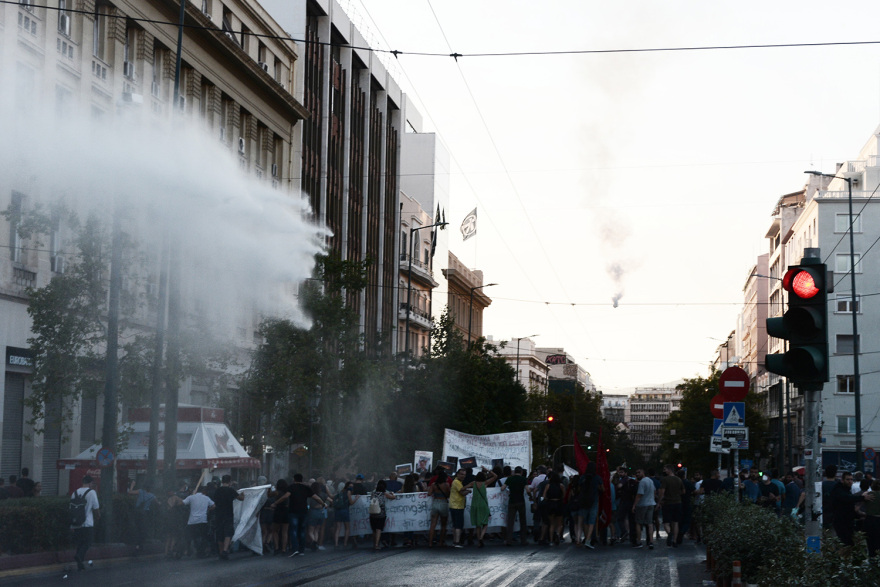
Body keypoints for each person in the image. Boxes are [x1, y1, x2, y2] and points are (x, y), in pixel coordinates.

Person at [831, 471, 875, 546]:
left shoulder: (846, 490)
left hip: (847, 521)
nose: (850, 482)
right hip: (841, 522)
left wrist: (859, 515)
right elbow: (846, 498)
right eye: (848, 479)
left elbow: (849, 505)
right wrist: (862, 498)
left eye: (851, 479)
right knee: (845, 543)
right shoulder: (839, 490)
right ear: (842, 480)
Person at [71, 475, 100, 571]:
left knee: (80, 543)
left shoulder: (74, 493)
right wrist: (98, 517)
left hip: (76, 523)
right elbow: (96, 508)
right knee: (87, 542)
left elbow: (71, 509)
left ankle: (80, 564)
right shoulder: (92, 493)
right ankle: (79, 556)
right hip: (87, 523)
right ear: (90, 483)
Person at [214, 475, 244, 560]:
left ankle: (220, 552)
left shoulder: (217, 490)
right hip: (228, 514)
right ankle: (225, 550)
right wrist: (243, 494)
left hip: (218, 514)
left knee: (220, 533)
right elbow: (241, 498)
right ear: (230, 481)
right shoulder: (231, 490)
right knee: (228, 532)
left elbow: (215, 501)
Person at [183, 485, 215, 558]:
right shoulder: (206, 498)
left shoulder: (191, 497)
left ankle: (192, 550)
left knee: (193, 537)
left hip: (192, 521)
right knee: (203, 536)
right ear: (203, 491)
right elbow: (213, 505)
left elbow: (183, 503)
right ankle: (201, 551)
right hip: (202, 520)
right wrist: (208, 510)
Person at [288, 474, 316, 555]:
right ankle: (301, 550)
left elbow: (286, 496)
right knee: (302, 531)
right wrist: (323, 503)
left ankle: (295, 548)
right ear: (302, 479)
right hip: (303, 511)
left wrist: (276, 502)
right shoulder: (306, 488)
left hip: (293, 511)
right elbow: (315, 497)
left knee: (294, 530)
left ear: (294, 479)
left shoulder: (291, 487)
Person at [469, 469, 497, 547]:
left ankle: (479, 541)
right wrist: (488, 470)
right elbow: (495, 476)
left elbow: (463, 488)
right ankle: (481, 537)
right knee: (485, 523)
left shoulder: (473, 483)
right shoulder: (485, 483)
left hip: (475, 505)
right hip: (483, 505)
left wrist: (467, 491)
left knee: (478, 525)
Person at [658, 464, 684, 547]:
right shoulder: (679, 479)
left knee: (666, 522)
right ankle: (675, 541)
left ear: (669, 470)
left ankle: (669, 534)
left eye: (665, 469)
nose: (664, 471)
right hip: (677, 502)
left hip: (667, 503)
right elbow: (683, 491)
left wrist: (659, 501)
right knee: (675, 523)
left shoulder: (665, 480)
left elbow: (662, 492)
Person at [127, 479, 157, 553]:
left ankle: (136, 544)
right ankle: (139, 545)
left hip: (137, 512)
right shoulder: (152, 496)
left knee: (136, 528)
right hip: (145, 514)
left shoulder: (140, 491)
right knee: (142, 530)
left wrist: (132, 485)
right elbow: (157, 503)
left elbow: (130, 492)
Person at [502, 467, 529, 546]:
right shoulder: (523, 479)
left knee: (510, 521)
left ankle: (509, 540)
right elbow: (527, 490)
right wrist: (530, 495)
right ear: (521, 472)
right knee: (522, 521)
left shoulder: (510, 479)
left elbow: (502, 488)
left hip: (512, 501)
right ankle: (523, 540)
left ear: (514, 472)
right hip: (521, 501)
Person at [578, 462, 603, 549]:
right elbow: (602, 488)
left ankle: (585, 537)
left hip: (583, 501)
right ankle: (588, 539)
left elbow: (579, 487)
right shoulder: (597, 478)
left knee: (585, 521)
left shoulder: (583, 477)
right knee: (592, 521)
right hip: (594, 501)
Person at [632, 468, 656, 550]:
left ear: (643, 473)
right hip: (651, 503)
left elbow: (639, 494)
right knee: (650, 524)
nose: (637, 474)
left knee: (638, 523)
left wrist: (634, 505)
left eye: (639, 472)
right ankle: (651, 542)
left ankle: (639, 541)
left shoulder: (642, 482)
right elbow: (655, 491)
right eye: (636, 473)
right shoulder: (650, 481)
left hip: (642, 504)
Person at [369, 480, 396, 550]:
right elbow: (393, 497)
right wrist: (392, 493)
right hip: (381, 514)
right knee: (379, 529)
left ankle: (374, 543)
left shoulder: (373, 493)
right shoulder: (384, 493)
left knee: (374, 530)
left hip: (372, 513)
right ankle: (377, 544)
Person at [541, 471, 565, 546]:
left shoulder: (548, 485)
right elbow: (564, 495)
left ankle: (551, 540)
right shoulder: (561, 485)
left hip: (550, 504)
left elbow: (544, 496)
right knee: (559, 523)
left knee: (551, 524)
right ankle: (557, 534)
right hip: (559, 503)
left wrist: (548, 499)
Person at [427, 470, 450, 547]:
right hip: (443, 502)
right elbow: (449, 494)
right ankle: (440, 542)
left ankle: (430, 542)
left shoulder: (433, 484)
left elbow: (429, 493)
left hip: (435, 502)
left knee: (433, 524)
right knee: (443, 525)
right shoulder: (446, 485)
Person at [449, 469, 470, 548]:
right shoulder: (457, 482)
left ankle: (455, 541)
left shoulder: (456, 482)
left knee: (455, 525)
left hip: (454, 505)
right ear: (457, 474)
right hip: (457, 506)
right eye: (461, 474)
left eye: (464, 474)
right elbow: (462, 492)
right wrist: (468, 491)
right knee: (458, 525)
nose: (463, 476)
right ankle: (457, 542)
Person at [269, 478, 291, 555]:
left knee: (275, 531)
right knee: (285, 531)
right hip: (286, 511)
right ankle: (284, 549)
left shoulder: (276, 492)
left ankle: (276, 547)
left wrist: (269, 488)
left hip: (278, 512)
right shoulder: (288, 492)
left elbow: (269, 495)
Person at [334, 480, 355, 548]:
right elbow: (351, 502)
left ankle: (336, 544)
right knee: (347, 528)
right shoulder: (348, 492)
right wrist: (356, 499)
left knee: (338, 528)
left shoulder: (340, 492)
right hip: (345, 511)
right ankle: (345, 543)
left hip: (338, 511)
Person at [306, 482, 327, 550]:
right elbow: (330, 499)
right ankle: (316, 543)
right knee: (317, 530)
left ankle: (314, 542)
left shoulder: (310, 495)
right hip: (321, 512)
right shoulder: (323, 494)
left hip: (313, 512)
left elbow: (308, 505)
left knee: (311, 530)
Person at [864, 479, 880, 557]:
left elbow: (856, 509)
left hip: (869, 520)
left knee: (870, 544)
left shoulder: (868, 495)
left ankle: (872, 562)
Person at [822, 464, 838, 530]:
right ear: (835, 473)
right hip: (836, 514)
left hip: (823, 513)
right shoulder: (839, 485)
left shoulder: (821, 485)